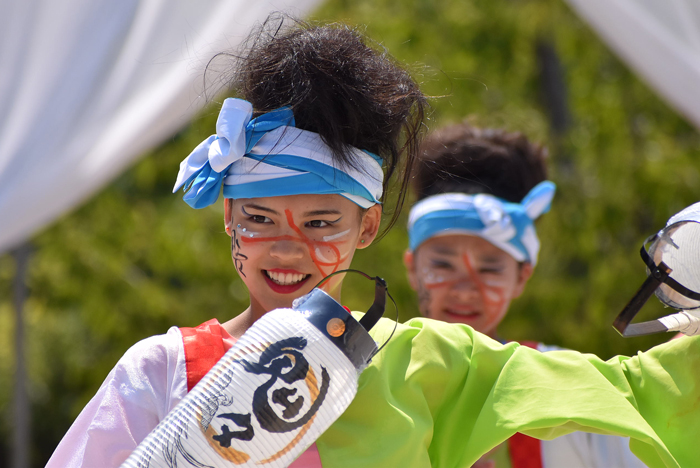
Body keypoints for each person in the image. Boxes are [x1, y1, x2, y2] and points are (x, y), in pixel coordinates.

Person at [47, 18, 700, 468]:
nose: (287, 247)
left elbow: (630, 391)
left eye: (321, 222)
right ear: (227, 216)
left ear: (366, 227)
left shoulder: (427, 363)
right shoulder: (160, 371)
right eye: (261, 219)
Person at [404, 124, 645, 467]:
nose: (464, 289)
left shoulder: (570, 387)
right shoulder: (368, 381)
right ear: (412, 269)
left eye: (489, 269)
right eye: (443, 265)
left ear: (522, 277)